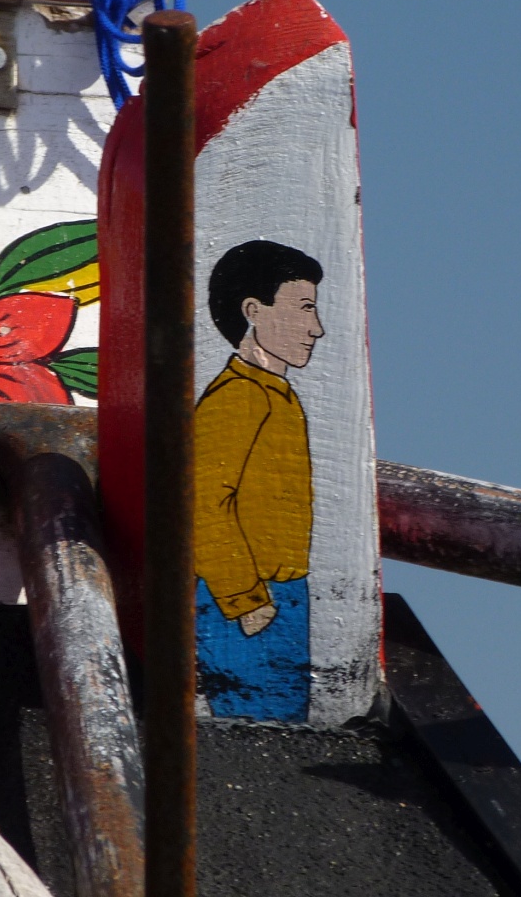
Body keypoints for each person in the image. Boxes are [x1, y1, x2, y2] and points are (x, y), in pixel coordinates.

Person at [194, 240, 324, 721]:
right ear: (253, 311)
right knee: (254, 728)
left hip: (284, 592)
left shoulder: (277, 394)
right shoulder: (238, 396)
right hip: (247, 598)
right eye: (304, 308)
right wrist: (244, 598)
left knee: (285, 726)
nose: (316, 328)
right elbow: (202, 502)